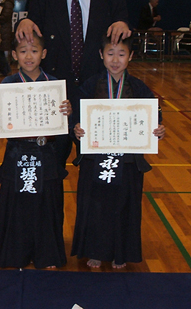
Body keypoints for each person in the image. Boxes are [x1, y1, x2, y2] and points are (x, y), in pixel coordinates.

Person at [15, 0, 131, 167]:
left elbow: (124, 49)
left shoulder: (113, 1)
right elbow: (28, 45)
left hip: (97, 97)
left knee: (99, 171)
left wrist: (125, 26)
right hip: (53, 101)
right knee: (48, 171)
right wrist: (23, 22)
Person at [71, 36, 165, 270]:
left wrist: (158, 129)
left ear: (130, 57)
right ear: (101, 55)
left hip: (128, 160)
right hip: (95, 157)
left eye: (121, 54)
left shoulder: (140, 87)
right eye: (110, 53)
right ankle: (94, 251)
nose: (115, 60)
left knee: (124, 205)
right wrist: (77, 128)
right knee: (95, 205)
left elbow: (155, 117)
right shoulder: (90, 85)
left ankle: (119, 252)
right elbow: (77, 117)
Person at [0, 32, 71, 269]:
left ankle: (48, 254)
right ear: (14, 55)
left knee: (47, 204)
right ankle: (15, 254)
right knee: (18, 205)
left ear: (43, 54)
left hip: (47, 153)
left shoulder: (54, 84)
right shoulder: (7, 85)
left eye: (34, 51)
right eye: (23, 51)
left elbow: (65, 126)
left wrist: (67, 111)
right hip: (17, 152)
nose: (29, 56)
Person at [0, 0, 14, 77]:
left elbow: (6, 17)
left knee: (1, 51)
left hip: (4, 30)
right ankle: (5, 70)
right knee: (0, 51)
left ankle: (5, 70)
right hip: (1, 30)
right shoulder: (1, 2)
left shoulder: (7, 3)